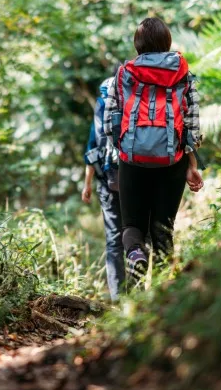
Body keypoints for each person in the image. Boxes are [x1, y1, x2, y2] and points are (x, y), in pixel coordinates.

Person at [103, 17, 204, 283]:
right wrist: (192, 164)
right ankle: (161, 295)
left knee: (132, 226)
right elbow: (192, 126)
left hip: (131, 161)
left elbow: (108, 122)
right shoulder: (183, 73)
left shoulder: (123, 74)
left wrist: (126, 150)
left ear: (138, 45)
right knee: (163, 229)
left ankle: (136, 257)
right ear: (167, 41)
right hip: (173, 162)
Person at [81, 77, 125, 301]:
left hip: (109, 178)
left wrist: (87, 183)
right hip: (140, 173)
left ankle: (119, 298)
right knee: (140, 235)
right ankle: (143, 295)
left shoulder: (103, 103)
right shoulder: (138, 100)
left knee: (114, 238)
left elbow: (93, 146)